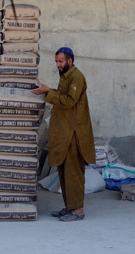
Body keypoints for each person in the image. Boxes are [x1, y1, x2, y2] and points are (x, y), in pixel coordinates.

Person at [31, 47, 95, 221]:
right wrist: (49, 91)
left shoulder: (77, 77)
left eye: (60, 61)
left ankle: (78, 210)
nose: (58, 65)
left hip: (75, 134)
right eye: (56, 62)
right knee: (64, 172)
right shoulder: (66, 77)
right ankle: (69, 207)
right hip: (65, 133)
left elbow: (69, 101)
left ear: (70, 61)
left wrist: (47, 92)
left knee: (74, 173)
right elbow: (62, 96)